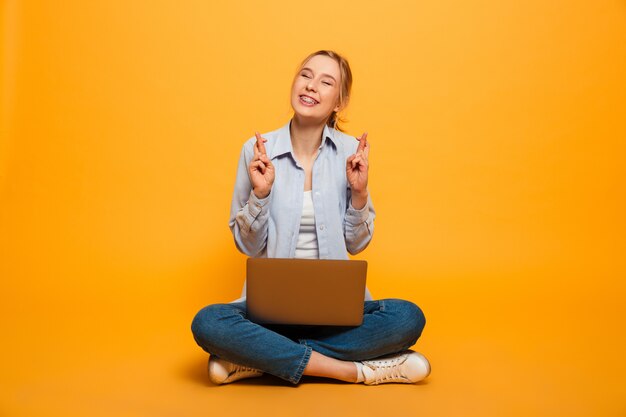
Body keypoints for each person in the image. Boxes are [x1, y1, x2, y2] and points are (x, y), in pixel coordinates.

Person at [191, 50, 430, 385]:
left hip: (337, 318)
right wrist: (261, 194)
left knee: (407, 316)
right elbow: (246, 244)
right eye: (306, 74)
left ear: (339, 102)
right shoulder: (257, 150)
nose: (311, 85)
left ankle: (260, 359)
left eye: (326, 81)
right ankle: (353, 371)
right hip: (267, 318)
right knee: (208, 322)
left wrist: (360, 194)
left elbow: (357, 245)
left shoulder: (350, 153)